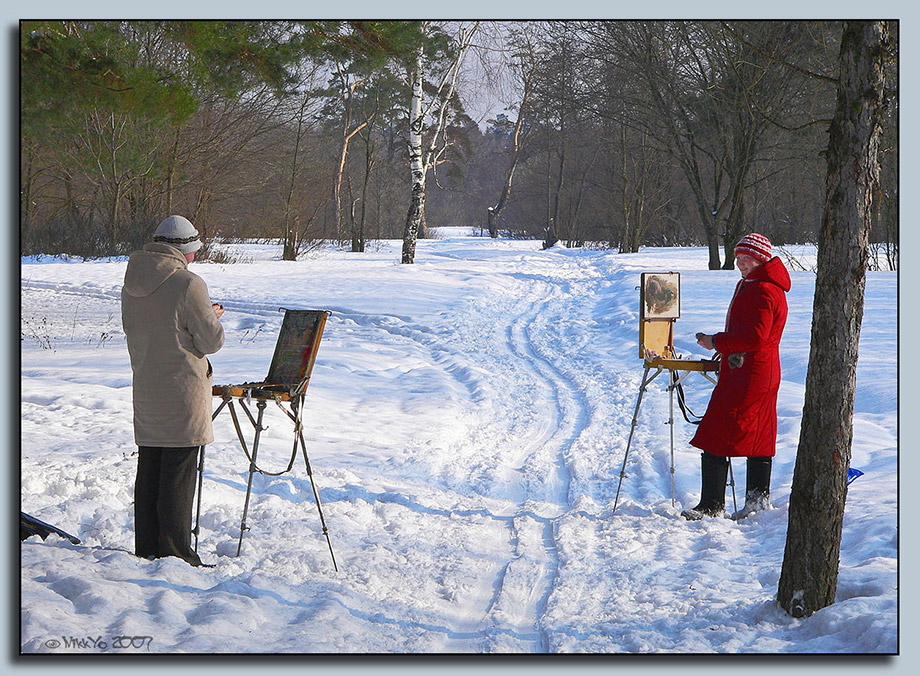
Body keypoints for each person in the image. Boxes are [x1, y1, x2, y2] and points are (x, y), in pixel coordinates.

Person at [122, 215, 225, 565]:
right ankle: (177, 554)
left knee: (150, 471)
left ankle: (148, 548)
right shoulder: (188, 284)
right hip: (183, 389)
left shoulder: (132, 281)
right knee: (179, 476)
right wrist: (211, 316)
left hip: (147, 387)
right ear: (184, 249)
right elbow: (209, 341)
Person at [682, 233, 791, 521]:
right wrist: (725, 347)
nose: (741, 264)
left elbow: (754, 337)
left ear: (761, 259)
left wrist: (716, 341)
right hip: (755, 370)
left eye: (746, 259)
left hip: (751, 374)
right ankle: (756, 502)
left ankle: (711, 506)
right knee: (757, 433)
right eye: (739, 258)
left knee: (717, 430)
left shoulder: (763, 290)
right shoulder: (757, 284)